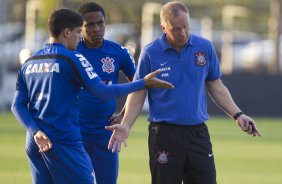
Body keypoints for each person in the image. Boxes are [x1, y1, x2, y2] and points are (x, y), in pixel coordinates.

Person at [10, 8, 173, 184]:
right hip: (64, 137)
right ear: (67, 32)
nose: (80, 36)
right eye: (79, 31)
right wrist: (144, 83)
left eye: (100, 23)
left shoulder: (30, 62)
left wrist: (35, 130)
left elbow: (17, 105)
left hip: (38, 140)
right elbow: (103, 92)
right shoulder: (72, 58)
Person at [106, 2, 262, 184]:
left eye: (186, 27)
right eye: (176, 29)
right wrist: (126, 125)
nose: (183, 33)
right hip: (164, 134)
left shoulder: (204, 47)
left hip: (197, 133)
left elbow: (216, 85)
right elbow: (139, 92)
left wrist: (238, 114)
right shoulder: (151, 52)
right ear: (163, 27)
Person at [76, 3, 136, 184]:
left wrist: (123, 116)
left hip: (105, 133)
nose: (97, 28)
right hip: (73, 132)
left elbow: (138, 86)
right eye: (90, 25)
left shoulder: (119, 52)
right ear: (80, 27)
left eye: (100, 23)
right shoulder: (71, 52)